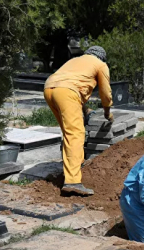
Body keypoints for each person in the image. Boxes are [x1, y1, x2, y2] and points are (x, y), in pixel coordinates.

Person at [43, 46, 114, 196]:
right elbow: (105, 93)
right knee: (75, 134)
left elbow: (72, 84)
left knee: (68, 133)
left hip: (49, 88)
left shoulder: (76, 60)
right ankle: (73, 181)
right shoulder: (100, 65)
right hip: (67, 92)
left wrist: (85, 110)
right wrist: (107, 112)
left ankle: (72, 165)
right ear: (102, 57)